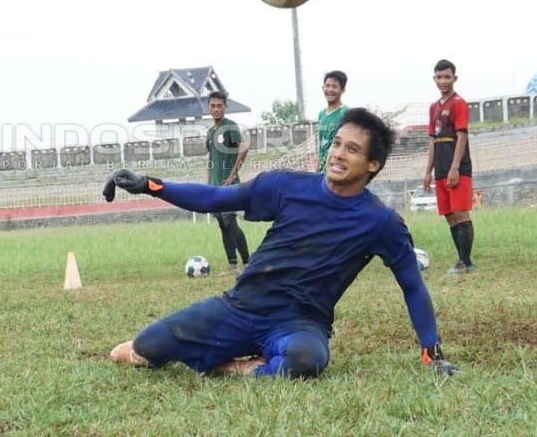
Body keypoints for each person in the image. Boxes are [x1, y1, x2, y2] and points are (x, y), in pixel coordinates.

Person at [103, 108, 460, 379]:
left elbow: (412, 285)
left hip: (299, 324)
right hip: (240, 308)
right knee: (148, 346)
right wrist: (150, 185)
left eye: (352, 150)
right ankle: (236, 358)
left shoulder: (381, 222)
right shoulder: (286, 185)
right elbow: (214, 197)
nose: (338, 154)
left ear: (373, 164)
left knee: (306, 361)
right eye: (337, 143)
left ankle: (236, 368)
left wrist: (432, 352)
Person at [422, 59, 475, 274]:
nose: (443, 81)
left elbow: (461, 136)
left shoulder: (459, 103)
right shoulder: (434, 107)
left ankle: (466, 262)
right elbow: (434, 141)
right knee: (449, 214)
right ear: (434, 78)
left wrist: (455, 167)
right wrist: (427, 171)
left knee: (461, 212)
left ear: (455, 78)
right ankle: (460, 258)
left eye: (447, 77)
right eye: (439, 77)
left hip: (458, 167)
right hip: (440, 168)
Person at [206, 91, 250, 274]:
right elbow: (211, 157)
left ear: (225, 107)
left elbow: (244, 148)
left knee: (231, 222)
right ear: (208, 107)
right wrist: (208, 183)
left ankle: (248, 263)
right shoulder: (210, 132)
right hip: (215, 186)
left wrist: (233, 175)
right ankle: (232, 265)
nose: (216, 109)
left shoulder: (230, 127)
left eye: (219, 106)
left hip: (229, 186)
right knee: (222, 225)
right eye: (213, 106)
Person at [316, 70, 349, 172]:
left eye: (334, 86)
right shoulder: (321, 114)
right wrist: (317, 166)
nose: (330, 89)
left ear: (343, 90)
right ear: (323, 88)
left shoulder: (345, 113)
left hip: (336, 168)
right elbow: (321, 142)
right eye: (327, 86)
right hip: (322, 171)